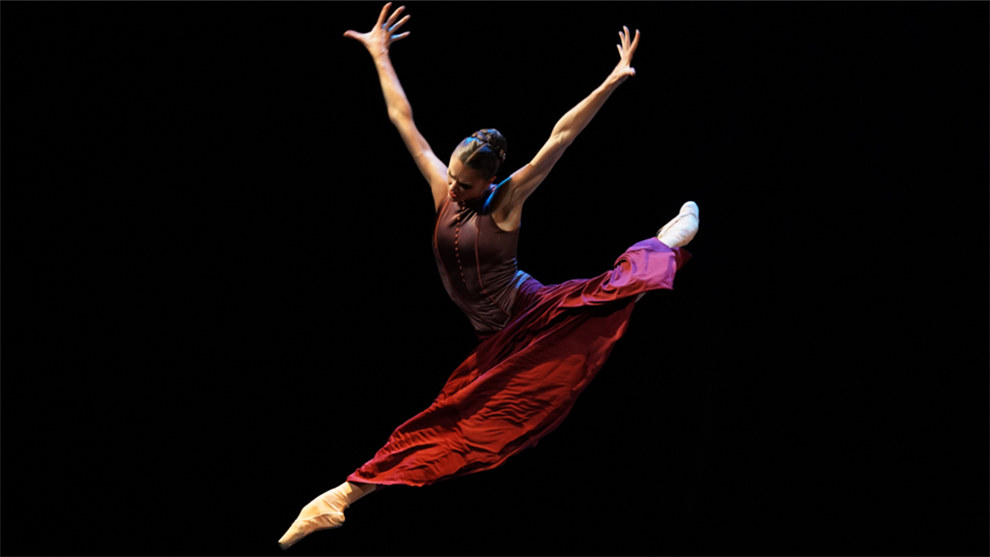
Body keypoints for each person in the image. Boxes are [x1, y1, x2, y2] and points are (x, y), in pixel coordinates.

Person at [278, 3, 699, 549]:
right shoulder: (444, 189)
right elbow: (404, 121)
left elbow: (561, 137)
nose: (454, 188)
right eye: (453, 177)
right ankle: (341, 497)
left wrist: (612, 80)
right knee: (448, 420)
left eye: (466, 185)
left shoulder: (505, 203)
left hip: (529, 313)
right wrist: (380, 54)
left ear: (490, 181)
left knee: (598, 307)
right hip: (492, 338)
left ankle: (663, 243)